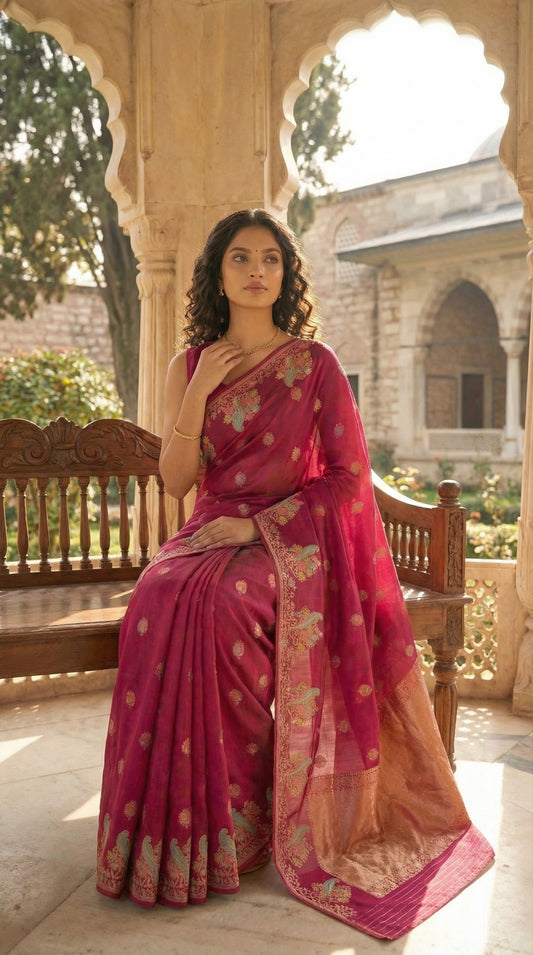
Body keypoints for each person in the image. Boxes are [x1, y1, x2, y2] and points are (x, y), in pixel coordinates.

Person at [96, 209, 493, 939]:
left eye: (270, 259)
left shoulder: (313, 366)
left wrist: (257, 525)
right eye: (240, 258)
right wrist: (195, 390)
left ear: (285, 274)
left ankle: (243, 817)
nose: (255, 271)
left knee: (222, 607)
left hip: (286, 541)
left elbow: (346, 479)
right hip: (206, 528)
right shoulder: (190, 362)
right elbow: (178, 479)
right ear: (217, 273)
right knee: (157, 594)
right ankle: (177, 828)